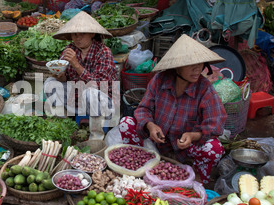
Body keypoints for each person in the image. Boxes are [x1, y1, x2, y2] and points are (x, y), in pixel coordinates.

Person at [119, 34, 227, 184]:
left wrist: (192, 136)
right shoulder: (160, 80)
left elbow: (216, 123)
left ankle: (197, 179)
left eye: (201, 64)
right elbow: (143, 109)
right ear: (177, 66)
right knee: (126, 122)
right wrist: (151, 125)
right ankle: (140, 168)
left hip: (186, 147)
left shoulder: (205, 89)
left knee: (214, 148)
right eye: (190, 64)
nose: (197, 69)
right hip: (157, 143)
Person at [44, 11, 119, 140]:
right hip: (77, 100)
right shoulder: (70, 49)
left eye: (82, 34)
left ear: (92, 34)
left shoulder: (104, 52)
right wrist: (59, 75)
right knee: (50, 83)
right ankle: (64, 126)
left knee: (90, 92)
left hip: (103, 104)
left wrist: (76, 64)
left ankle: (96, 137)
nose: (77, 38)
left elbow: (99, 86)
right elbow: (65, 79)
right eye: (74, 34)